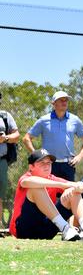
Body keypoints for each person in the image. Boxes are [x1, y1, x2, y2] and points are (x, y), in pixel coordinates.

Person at [9, 149, 83, 241]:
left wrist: (78, 187)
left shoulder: (52, 178)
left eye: (49, 163)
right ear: (31, 167)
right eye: (42, 163)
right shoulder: (27, 177)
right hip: (24, 230)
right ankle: (65, 228)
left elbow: (80, 186)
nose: (47, 166)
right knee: (37, 187)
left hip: (47, 230)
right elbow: (26, 182)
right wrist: (63, 185)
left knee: (73, 192)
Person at [23, 91, 83, 181]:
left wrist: (80, 156)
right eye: (61, 100)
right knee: (48, 194)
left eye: (66, 100)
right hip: (49, 165)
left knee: (68, 193)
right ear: (53, 103)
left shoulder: (75, 119)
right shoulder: (44, 120)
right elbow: (26, 138)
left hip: (68, 165)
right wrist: (38, 156)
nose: (64, 102)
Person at [0, 91, 20, 227]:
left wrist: (5, 138)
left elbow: (17, 135)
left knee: (0, 195)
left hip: (1, 162)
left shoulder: (5, 116)